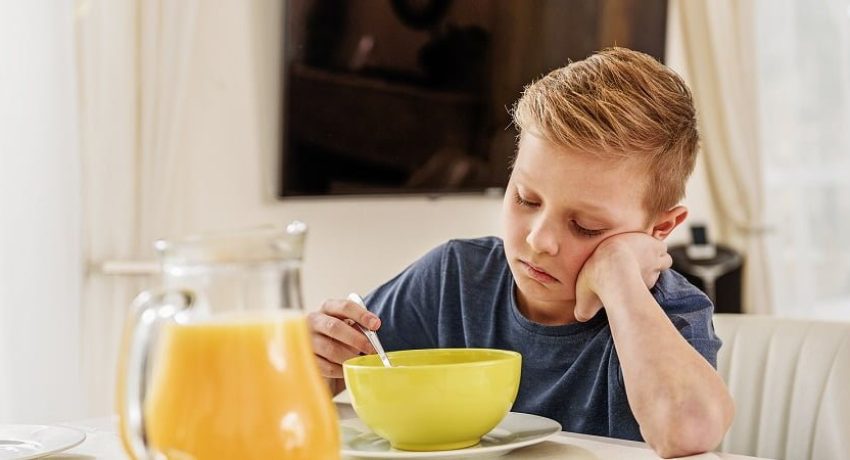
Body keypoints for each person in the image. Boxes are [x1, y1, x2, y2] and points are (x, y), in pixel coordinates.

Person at [308, 47, 735, 458]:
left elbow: (688, 431)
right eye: (527, 199)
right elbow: (323, 379)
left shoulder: (669, 312)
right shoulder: (456, 279)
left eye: (586, 227)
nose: (538, 240)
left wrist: (618, 273)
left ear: (659, 229)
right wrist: (315, 355)